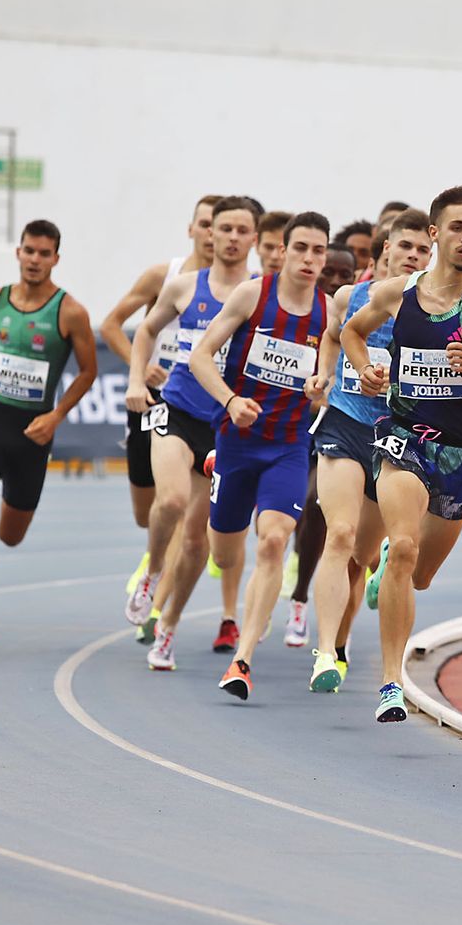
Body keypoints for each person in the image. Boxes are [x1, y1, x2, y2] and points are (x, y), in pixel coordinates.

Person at [342, 184, 462, 723]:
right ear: (434, 233)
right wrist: (366, 370)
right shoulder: (397, 293)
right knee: (403, 546)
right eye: (457, 227)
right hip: (402, 438)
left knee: (419, 574)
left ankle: (390, 569)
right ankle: (390, 682)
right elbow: (352, 333)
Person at [191, 212, 331, 701]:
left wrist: (320, 389)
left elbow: (326, 382)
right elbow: (200, 357)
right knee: (224, 554)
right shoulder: (252, 296)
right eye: (301, 248)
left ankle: (242, 658)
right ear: (283, 251)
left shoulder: (328, 313)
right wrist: (231, 401)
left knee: (272, 542)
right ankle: (218, 477)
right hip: (236, 442)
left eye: (318, 250)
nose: (310, 259)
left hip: (288, 448)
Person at [123, 195, 260, 668]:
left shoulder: (259, 295)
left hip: (224, 425)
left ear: (254, 238)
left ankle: (168, 626)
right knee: (172, 501)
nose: (232, 238)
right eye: (225, 229)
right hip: (178, 409)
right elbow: (145, 331)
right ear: (209, 233)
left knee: (199, 542)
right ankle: (152, 571)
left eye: (242, 230)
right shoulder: (183, 287)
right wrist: (137, 379)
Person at [0, 220, 97, 648]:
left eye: (44, 253)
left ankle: (8, 508)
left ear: (56, 259)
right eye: (29, 251)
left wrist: (57, 416)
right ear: (18, 253)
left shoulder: (70, 312)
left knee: (10, 535)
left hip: (33, 433)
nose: (35, 260)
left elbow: (88, 372)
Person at [305, 209, 433, 693]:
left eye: (423, 250)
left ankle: (380, 557)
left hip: (393, 435)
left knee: (361, 554)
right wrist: (325, 373)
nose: (414, 256)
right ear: (386, 249)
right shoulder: (350, 297)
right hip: (344, 422)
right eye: (406, 247)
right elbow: (332, 335)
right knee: (339, 534)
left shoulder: (432, 311)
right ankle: (325, 652)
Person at [99, 194, 220, 642]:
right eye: (205, 224)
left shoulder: (243, 288)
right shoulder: (164, 277)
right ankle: (154, 551)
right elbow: (111, 324)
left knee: (182, 509)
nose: (212, 233)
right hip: (149, 401)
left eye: (220, 225)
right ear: (192, 229)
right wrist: (141, 366)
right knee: (147, 512)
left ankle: (155, 607)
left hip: (201, 409)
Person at [273, 241, 360, 649]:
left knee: (317, 506)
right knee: (294, 514)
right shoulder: (296, 310)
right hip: (290, 429)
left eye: (346, 275)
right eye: (331, 273)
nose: (337, 280)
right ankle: (294, 571)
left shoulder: (358, 313)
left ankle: (301, 598)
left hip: (334, 430)